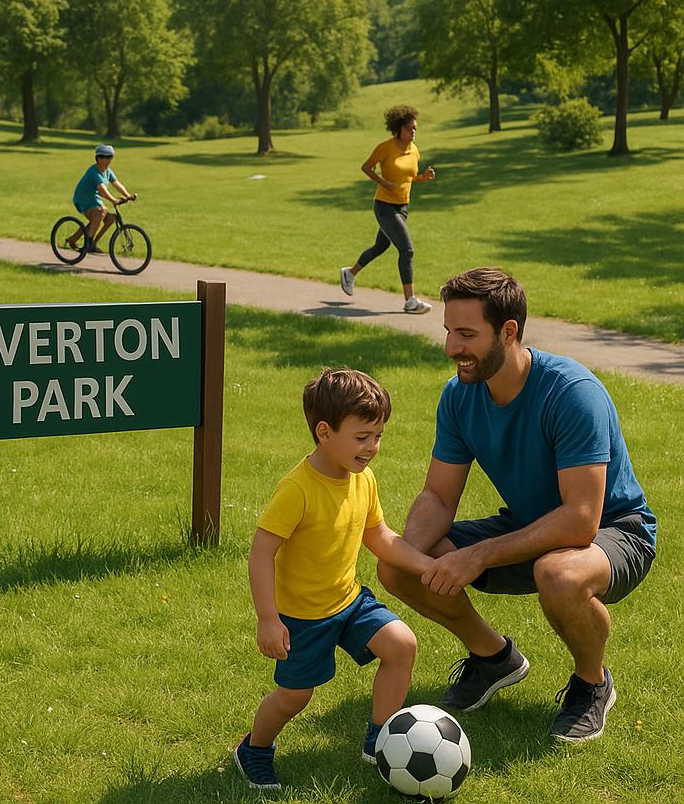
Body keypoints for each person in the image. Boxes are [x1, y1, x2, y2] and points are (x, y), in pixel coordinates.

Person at [377, 268, 657, 744]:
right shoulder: (459, 396)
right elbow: (438, 496)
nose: (451, 347)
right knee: (398, 566)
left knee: (559, 575)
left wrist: (479, 555)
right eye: (448, 331)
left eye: (467, 334)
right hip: (530, 525)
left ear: (508, 331)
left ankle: (591, 684)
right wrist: (409, 554)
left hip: (614, 531)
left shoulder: (572, 393)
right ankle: (494, 659)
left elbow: (580, 520)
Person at [234, 369, 434, 791]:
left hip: (349, 601)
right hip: (302, 617)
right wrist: (268, 619)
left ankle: (380, 739)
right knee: (294, 698)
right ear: (324, 432)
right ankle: (254, 749)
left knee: (401, 645)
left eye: (378, 436)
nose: (372, 447)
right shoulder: (297, 489)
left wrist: (426, 566)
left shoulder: (363, 479)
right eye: (362, 437)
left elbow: (379, 537)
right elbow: (261, 552)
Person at [340, 104, 435, 315]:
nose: (413, 132)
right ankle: (410, 300)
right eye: (409, 128)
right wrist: (383, 182)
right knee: (407, 250)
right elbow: (366, 167)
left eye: (415, 128)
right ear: (398, 129)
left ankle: (350, 273)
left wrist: (423, 178)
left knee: (380, 246)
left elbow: (409, 176)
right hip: (384, 207)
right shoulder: (385, 148)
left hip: (403, 207)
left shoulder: (414, 150)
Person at [71, 144, 136, 252]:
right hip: (82, 198)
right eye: (102, 156)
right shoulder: (94, 172)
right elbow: (102, 190)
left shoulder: (108, 171)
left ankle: (85, 242)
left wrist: (128, 195)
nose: (105, 160)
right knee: (101, 212)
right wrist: (113, 200)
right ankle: (88, 243)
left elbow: (116, 184)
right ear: (97, 158)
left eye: (109, 157)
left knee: (110, 219)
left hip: (93, 198)